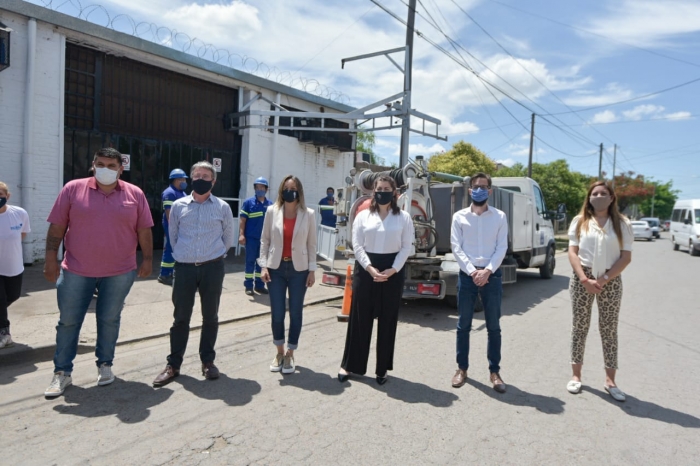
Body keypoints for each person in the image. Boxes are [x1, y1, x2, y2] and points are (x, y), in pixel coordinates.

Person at [43, 148, 154, 397]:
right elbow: (57, 226)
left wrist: (147, 259)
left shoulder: (134, 194)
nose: (106, 169)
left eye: (111, 165)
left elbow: (144, 230)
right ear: (93, 165)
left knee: (109, 319)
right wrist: (50, 259)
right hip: (76, 269)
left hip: (120, 271)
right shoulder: (73, 189)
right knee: (68, 322)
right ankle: (62, 372)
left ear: (120, 169)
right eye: (101, 164)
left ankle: (105, 365)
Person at [153, 161, 235, 387]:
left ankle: (208, 361)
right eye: (196, 174)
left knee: (211, 317)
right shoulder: (179, 205)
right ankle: (173, 365)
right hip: (185, 268)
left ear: (213, 181)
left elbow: (228, 238)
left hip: (212, 268)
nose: (200, 178)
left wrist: (215, 255)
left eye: (205, 175)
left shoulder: (222, 207)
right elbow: (173, 235)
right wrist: (185, 255)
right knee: (180, 318)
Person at [338, 175, 414, 385]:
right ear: (373, 192)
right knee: (360, 319)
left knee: (387, 321)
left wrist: (393, 270)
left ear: (394, 193)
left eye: (387, 188)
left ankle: (382, 369)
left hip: (393, 271)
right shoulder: (363, 217)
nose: (382, 191)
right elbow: (358, 245)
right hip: (366, 269)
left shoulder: (404, 218)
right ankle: (350, 364)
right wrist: (370, 269)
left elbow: (407, 246)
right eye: (379, 188)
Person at [567, 181, 633, 401]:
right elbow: (573, 252)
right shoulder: (579, 222)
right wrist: (584, 278)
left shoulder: (622, 224)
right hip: (582, 278)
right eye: (595, 193)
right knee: (579, 326)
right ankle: (576, 376)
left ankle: (610, 381)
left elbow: (626, 257)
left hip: (611, 279)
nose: (599, 196)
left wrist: (604, 279)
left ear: (612, 198)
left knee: (609, 329)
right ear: (589, 197)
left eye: (604, 193)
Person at [450, 172, 508, 393]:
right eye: (476, 186)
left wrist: (488, 271)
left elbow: (501, 247)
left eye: (484, 186)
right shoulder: (459, 217)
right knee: (463, 325)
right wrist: (474, 271)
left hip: (492, 276)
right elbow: (457, 248)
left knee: (494, 326)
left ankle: (494, 372)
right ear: (470, 190)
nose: (479, 189)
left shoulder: (500, 217)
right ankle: (461, 369)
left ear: (490, 191)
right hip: (468, 276)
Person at [259, 175, 317, 375]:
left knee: (296, 312)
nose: (289, 191)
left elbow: (311, 244)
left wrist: (312, 270)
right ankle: (279, 352)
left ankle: (291, 353)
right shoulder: (271, 211)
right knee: (277, 313)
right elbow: (264, 241)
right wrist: (263, 266)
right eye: (286, 188)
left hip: (298, 271)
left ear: (299, 191)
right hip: (275, 269)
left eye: (293, 188)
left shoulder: (308, 214)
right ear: (281, 191)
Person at [0, 181, 31, 349]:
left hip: (13, 265)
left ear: (7, 196)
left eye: (1, 195)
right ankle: (4, 333)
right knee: (0, 298)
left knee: (13, 296)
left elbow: (22, 234)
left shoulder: (19, 213)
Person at [239, 177, 272, 296]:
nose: (260, 189)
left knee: (262, 263)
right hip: (251, 238)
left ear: (266, 189)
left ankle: (259, 285)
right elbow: (242, 220)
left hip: (264, 240)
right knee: (250, 261)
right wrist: (241, 235)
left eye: (262, 187)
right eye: (258, 187)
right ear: (254, 188)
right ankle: (248, 286)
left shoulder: (270, 204)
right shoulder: (248, 203)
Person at [157, 168, 188, 286]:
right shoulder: (169, 193)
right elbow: (169, 213)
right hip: (172, 225)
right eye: (182, 179)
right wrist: (175, 227)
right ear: (176, 180)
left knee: (177, 249)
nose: (185, 181)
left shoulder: (182, 193)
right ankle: (164, 274)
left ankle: (171, 272)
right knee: (170, 248)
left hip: (181, 225)